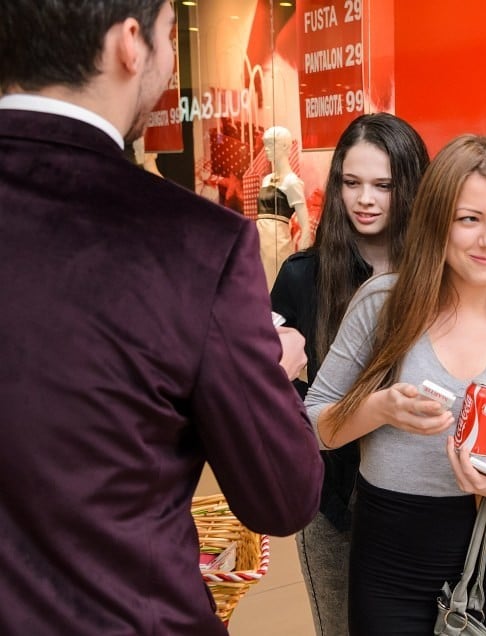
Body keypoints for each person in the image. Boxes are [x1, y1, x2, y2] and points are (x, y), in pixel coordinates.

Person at [0, 2, 325, 635]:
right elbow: (283, 497)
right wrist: (272, 369)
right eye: (172, 36)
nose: (172, 59)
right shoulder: (192, 243)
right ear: (130, 44)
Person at [305, 134, 486, 635]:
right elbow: (317, 423)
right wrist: (379, 409)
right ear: (436, 219)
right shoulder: (383, 303)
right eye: (469, 219)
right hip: (388, 551)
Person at [270, 112, 429, 636]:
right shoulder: (304, 276)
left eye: (383, 185)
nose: (365, 198)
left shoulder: (443, 279)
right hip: (334, 500)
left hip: (426, 498)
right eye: (352, 182)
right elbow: (280, 396)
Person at [258, 125, 311, 290]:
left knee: (274, 284)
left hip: (277, 241)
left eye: (271, 144)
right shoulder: (266, 179)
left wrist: (303, 251)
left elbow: (305, 224)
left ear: (285, 147)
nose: (266, 149)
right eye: (265, 144)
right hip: (261, 238)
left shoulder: (292, 182)